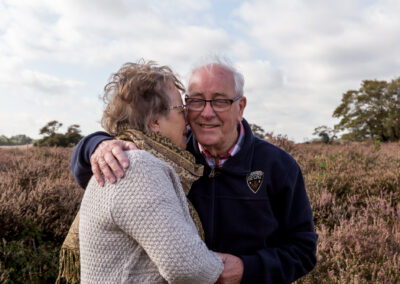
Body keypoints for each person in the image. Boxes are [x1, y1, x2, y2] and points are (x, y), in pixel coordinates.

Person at [71, 57, 318, 283]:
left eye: (220, 101)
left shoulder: (279, 166)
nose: (206, 113)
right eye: (196, 100)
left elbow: (304, 251)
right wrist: (96, 144)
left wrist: (247, 269)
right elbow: (98, 174)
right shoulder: (163, 157)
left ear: (240, 107)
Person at [77, 61, 223, 283]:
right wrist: (228, 268)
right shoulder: (138, 168)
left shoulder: (127, 156)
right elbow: (186, 266)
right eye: (181, 110)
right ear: (155, 122)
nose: (189, 120)